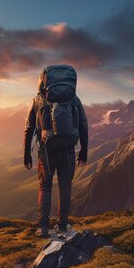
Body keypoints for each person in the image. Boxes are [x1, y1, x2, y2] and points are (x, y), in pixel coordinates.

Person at [23, 65, 88, 237]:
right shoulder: (74, 99)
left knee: (45, 186)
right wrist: (83, 152)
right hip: (68, 151)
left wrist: (26, 154)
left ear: (43, 82)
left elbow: (29, 128)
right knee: (65, 187)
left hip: (47, 151)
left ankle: (43, 227)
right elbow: (83, 125)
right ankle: (62, 225)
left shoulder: (38, 100)